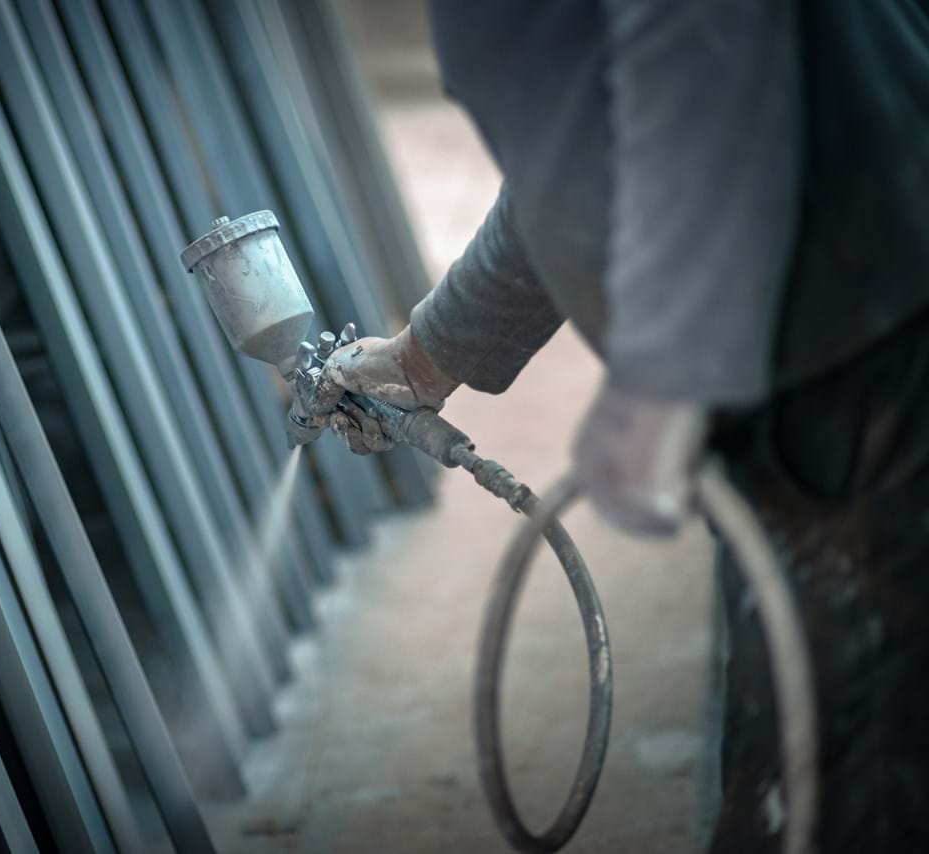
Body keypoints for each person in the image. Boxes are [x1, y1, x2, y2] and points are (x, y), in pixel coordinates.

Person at [322, 2, 929, 851]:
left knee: (851, 771)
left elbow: (696, 38)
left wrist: (665, 375)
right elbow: (586, 129)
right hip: (837, 317)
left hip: (869, 323)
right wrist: (430, 354)